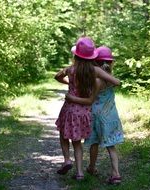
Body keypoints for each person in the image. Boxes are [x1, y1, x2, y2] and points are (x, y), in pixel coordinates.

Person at [55, 38, 120, 180]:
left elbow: (57, 76)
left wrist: (68, 81)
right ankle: (79, 173)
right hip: (84, 111)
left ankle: (67, 160)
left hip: (69, 108)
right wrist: (101, 83)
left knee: (64, 135)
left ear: (76, 55)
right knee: (77, 141)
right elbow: (116, 82)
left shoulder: (71, 69)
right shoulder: (95, 71)